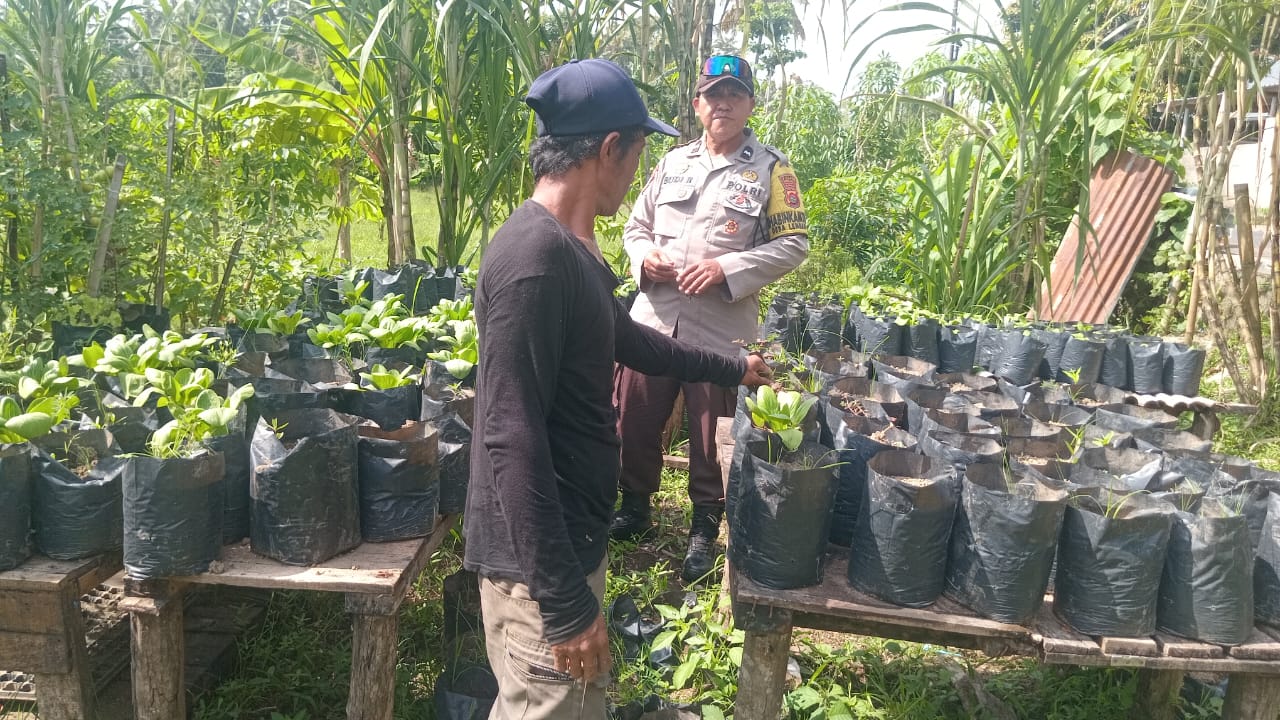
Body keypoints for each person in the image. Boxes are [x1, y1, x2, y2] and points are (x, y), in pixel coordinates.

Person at [463, 58, 772, 720]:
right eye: (636, 152)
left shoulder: (570, 250)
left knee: (581, 703)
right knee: (545, 705)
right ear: (611, 149)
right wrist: (566, 604)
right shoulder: (533, 263)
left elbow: (630, 340)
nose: (637, 170)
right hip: (537, 571)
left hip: (572, 543)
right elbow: (509, 436)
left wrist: (731, 369)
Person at [610, 54, 810, 583]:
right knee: (633, 415)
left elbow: (794, 245)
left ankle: (704, 524)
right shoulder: (671, 163)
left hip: (721, 329)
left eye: (734, 94)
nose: (723, 103)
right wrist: (642, 258)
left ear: (749, 104)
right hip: (655, 317)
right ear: (697, 104)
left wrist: (727, 267)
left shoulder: (771, 169)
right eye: (713, 94)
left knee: (709, 430)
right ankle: (634, 506)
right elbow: (635, 227)